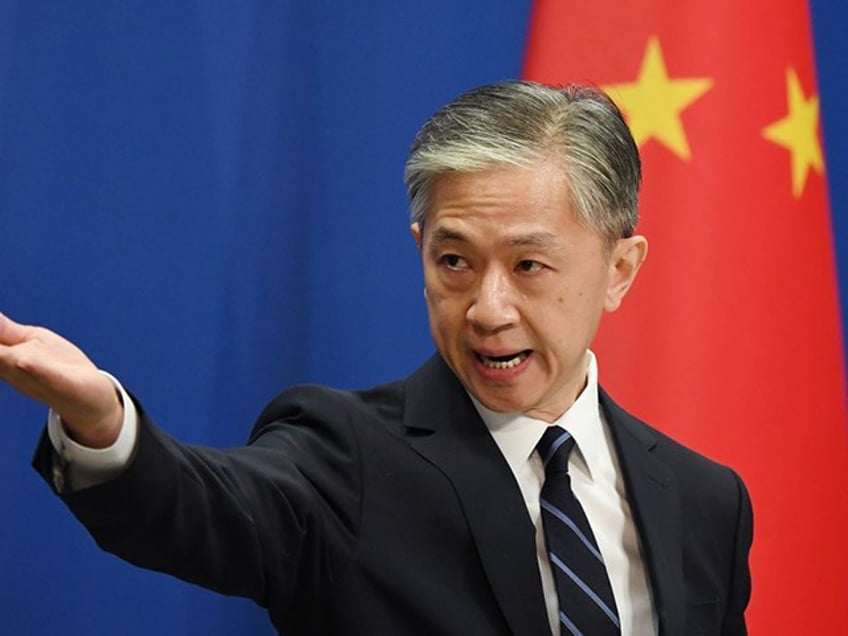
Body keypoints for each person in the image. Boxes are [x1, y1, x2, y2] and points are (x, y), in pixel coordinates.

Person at [0, 81, 752, 635]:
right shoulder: (344, 458)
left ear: (620, 270)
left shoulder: (706, 503)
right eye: (455, 262)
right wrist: (103, 425)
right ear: (421, 252)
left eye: (528, 266)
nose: (488, 310)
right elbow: (205, 507)